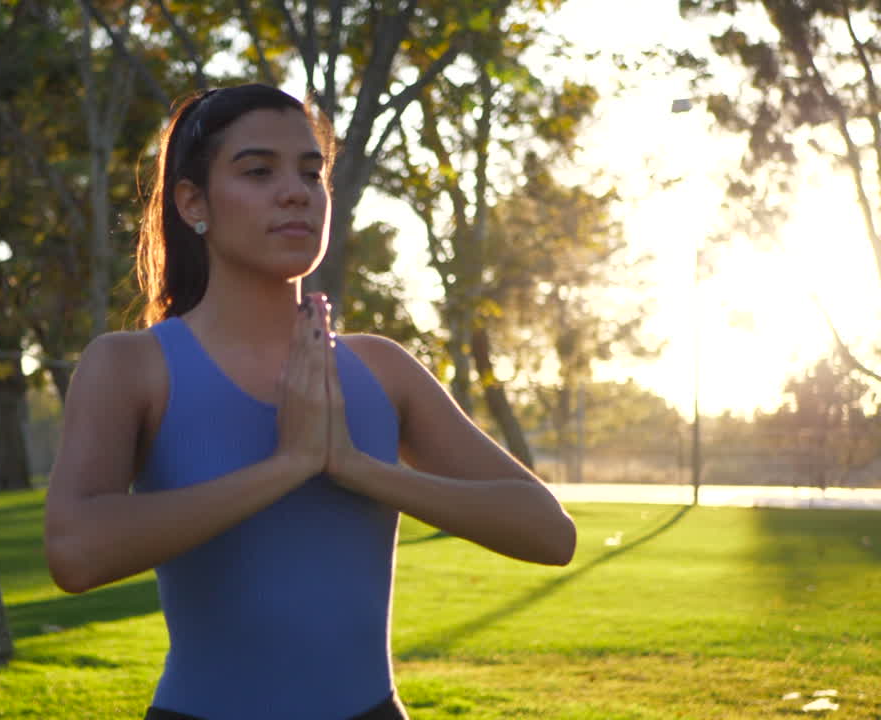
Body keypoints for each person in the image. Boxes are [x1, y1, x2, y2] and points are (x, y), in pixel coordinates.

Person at [44, 83, 576, 720]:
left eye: (311, 172)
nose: (295, 191)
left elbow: (550, 533)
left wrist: (355, 467)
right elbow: (74, 552)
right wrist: (286, 467)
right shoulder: (130, 366)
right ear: (193, 202)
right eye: (258, 171)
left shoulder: (382, 368)